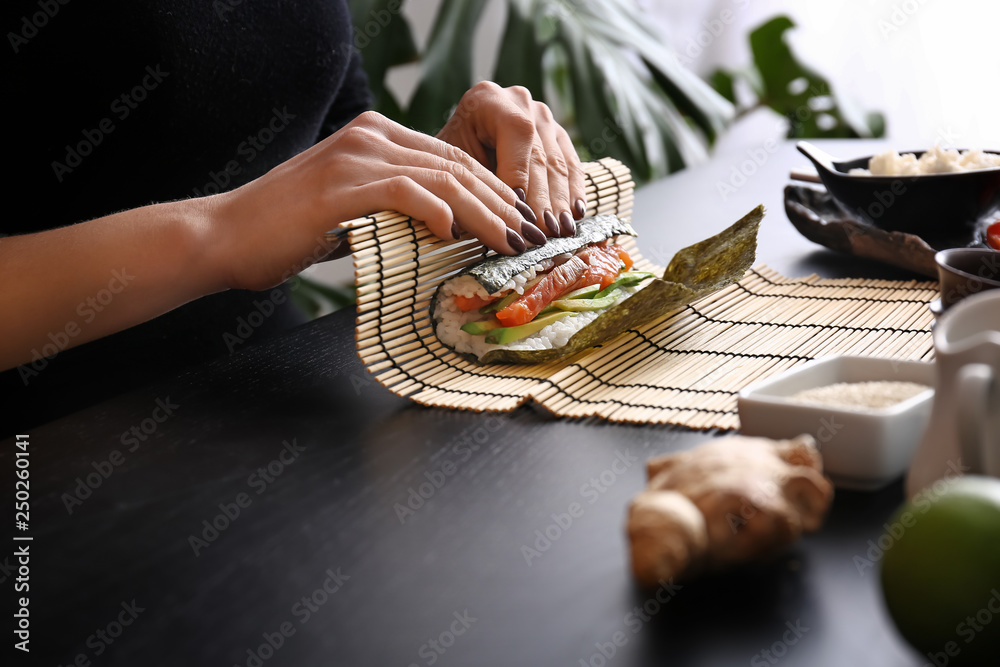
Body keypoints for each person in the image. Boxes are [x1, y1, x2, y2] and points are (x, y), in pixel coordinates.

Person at [0, 0, 586, 434]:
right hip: (52, 454)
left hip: (282, 396)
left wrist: (442, 168)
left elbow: (324, 154)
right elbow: (252, 215)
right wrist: (218, 234)